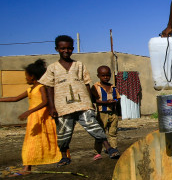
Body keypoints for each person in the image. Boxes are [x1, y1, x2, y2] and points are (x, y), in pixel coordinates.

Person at [40, 36, 119, 166]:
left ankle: (109, 148)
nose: (66, 50)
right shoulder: (52, 68)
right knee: (64, 132)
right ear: (57, 49)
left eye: (69, 48)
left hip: (82, 104)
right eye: (63, 48)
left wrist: (89, 102)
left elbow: (87, 83)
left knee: (93, 125)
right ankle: (64, 156)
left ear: (73, 48)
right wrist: (52, 107)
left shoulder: (79, 65)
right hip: (62, 106)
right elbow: (49, 87)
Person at [0, 59, 61, 174]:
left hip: (42, 118)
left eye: (26, 76)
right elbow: (15, 98)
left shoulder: (41, 87)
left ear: (32, 76)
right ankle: (27, 167)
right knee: (31, 142)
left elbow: (45, 102)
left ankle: (28, 168)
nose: (25, 78)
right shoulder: (31, 89)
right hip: (34, 119)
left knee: (39, 141)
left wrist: (29, 111)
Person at [91, 66, 120, 161]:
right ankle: (97, 152)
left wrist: (116, 108)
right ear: (98, 76)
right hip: (101, 113)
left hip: (113, 113)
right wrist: (105, 103)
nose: (106, 77)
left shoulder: (113, 87)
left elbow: (118, 99)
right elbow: (93, 100)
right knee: (100, 133)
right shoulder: (95, 87)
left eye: (107, 75)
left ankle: (113, 149)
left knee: (113, 132)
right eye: (103, 76)